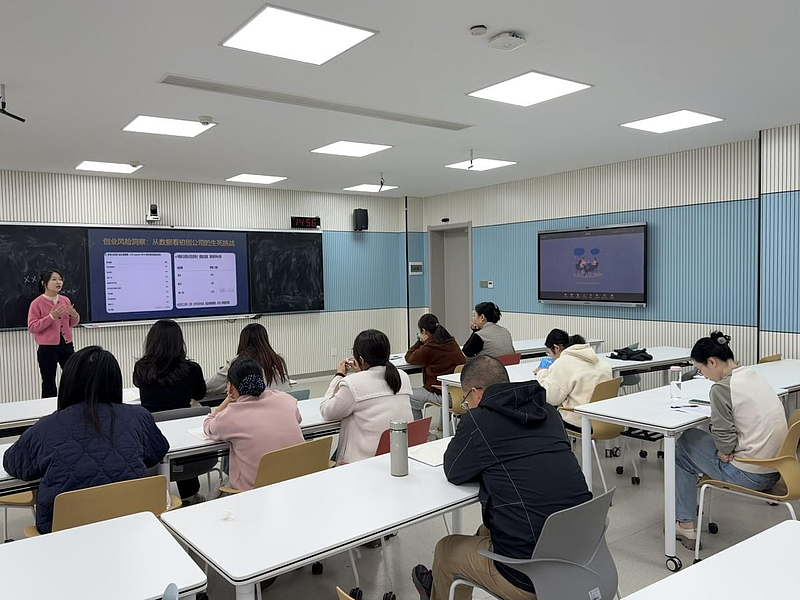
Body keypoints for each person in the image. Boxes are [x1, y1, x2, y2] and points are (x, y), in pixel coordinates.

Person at [412, 356, 591, 600]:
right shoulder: (548, 411)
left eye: (466, 400)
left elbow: (454, 471)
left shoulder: (478, 421)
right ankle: (441, 586)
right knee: (486, 528)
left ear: (476, 393)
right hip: (583, 555)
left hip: (531, 574)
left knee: (445, 550)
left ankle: (440, 585)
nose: (467, 406)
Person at [3, 346, 168, 534]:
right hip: (131, 528)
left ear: (69, 382)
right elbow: (157, 453)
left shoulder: (46, 428)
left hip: (63, 537)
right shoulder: (139, 417)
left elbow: (13, 463)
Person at [674, 331, 787, 549]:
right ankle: (686, 517)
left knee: (685, 443)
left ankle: (686, 523)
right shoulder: (754, 375)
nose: (704, 376)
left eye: (701, 370)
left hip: (750, 475)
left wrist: (723, 450)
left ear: (712, 362)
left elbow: (725, 444)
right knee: (697, 441)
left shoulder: (721, 389)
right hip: (778, 470)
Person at [133, 319, 206, 503]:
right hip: (185, 435)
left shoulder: (141, 368)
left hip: (152, 434)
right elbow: (200, 394)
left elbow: (138, 385)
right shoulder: (191, 369)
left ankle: (158, 500)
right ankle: (190, 496)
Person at [203, 357, 304, 491]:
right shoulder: (284, 398)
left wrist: (226, 401)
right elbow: (298, 419)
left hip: (255, 491)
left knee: (215, 492)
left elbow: (208, 426)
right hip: (296, 482)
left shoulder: (231, 416)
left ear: (230, 387)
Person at [320, 329, 413, 464]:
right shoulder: (402, 376)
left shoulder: (352, 383)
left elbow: (327, 411)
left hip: (365, 461)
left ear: (361, 359)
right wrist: (362, 372)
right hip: (398, 455)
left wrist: (339, 376)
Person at [535, 328, 612, 433]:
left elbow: (551, 398)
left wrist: (541, 373)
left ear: (556, 348)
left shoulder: (563, 363)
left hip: (579, 420)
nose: (551, 357)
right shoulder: (603, 363)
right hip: (605, 418)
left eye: (549, 353)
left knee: (542, 411)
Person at [27, 269, 80, 397]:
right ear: (44, 283)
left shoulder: (65, 300)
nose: (58, 282)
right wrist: (51, 317)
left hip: (67, 345)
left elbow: (71, 324)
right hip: (47, 348)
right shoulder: (37, 303)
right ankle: (49, 407)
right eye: (54, 279)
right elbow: (32, 327)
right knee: (49, 382)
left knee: (74, 377)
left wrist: (75, 316)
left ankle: (72, 404)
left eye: (60, 279)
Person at [205, 323, 291, 400]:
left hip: (256, 408)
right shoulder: (278, 360)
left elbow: (209, 387)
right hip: (283, 404)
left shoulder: (238, 363)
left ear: (243, 341)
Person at [405, 313, 466, 420]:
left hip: (443, 394)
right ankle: (442, 426)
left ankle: (420, 429)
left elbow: (409, 357)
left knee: (409, 396)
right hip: (461, 393)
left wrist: (420, 341)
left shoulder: (429, 347)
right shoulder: (451, 341)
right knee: (445, 384)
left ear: (424, 331)